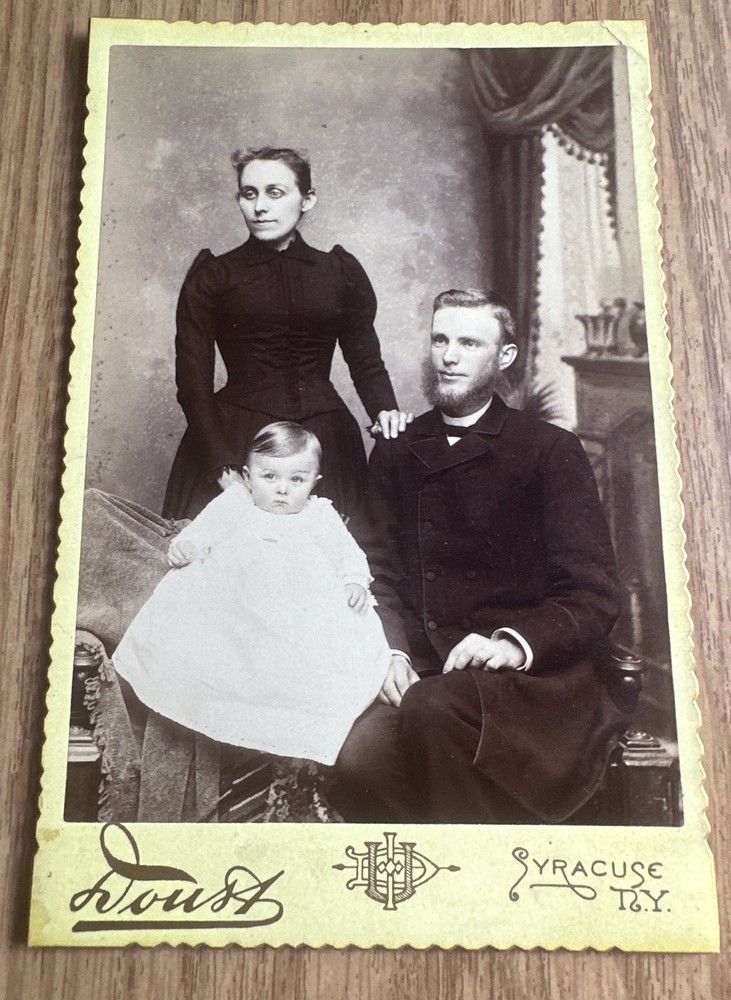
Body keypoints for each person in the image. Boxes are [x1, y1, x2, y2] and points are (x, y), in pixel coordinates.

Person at [333, 289, 627, 824]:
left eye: (469, 343)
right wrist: (392, 652)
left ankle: (476, 890)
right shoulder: (397, 447)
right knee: (360, 761)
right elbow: (373, 570)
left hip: (530, 678)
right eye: (441, 340)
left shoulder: (549, 450)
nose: (449, 355)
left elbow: (594, 593)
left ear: (504, 358)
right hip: (422, 667)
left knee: (433, 711)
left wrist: (514, 645)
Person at [114, 422, 391, 767]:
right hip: (240, 599)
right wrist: (185, 547)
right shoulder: (237, 504)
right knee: (208, 632)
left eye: (296, 480)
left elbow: (348, 553)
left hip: (300, 610)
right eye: (269, 477)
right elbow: (202, 531)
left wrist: (352, 581)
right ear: (247, 476)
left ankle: (288, 724)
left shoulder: (319, 514)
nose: (281, 491)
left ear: (315, 482)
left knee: (329, 651)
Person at [163, 146, 411, 520]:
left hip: (328, 443)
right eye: (250, 194)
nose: (260, 207)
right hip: (234, 443)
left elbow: (365, 360)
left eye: (275, 193)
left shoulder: (338, 272)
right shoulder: (214, 276)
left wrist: (385, 410)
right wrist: (223, 468)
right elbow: (193, 384)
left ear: (307, 199)